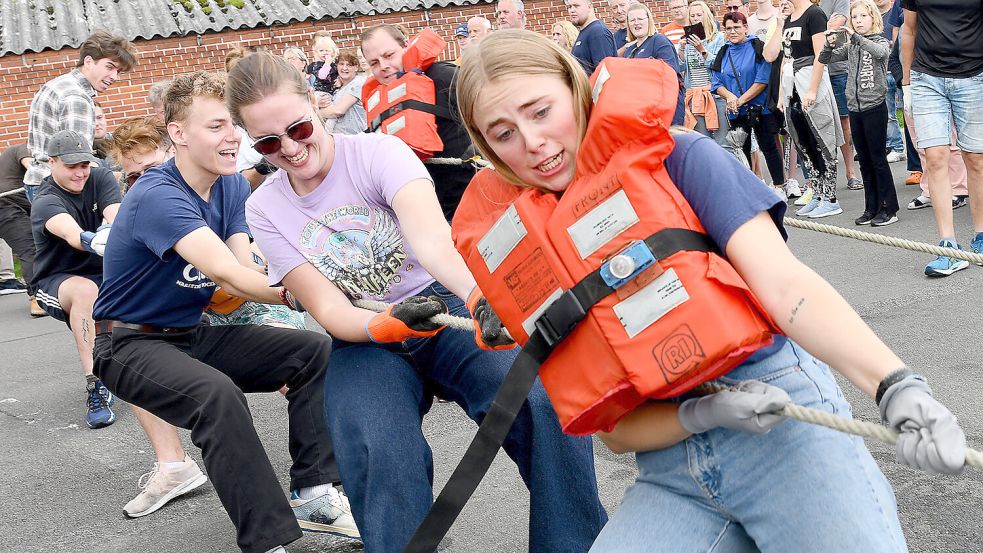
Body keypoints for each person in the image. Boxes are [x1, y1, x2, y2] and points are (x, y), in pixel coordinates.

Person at [455, 29, 967, 553]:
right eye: (503, 134)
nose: (532, 142)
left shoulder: (679, 157)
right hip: (670, 467)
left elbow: (787, 286)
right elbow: (611, 430)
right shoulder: (534, 256)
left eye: (540, 112)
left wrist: (896, 386)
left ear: (575, 87)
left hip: (785, 434)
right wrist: (700, 413)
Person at [226, 50, 607, 552]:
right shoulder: (265, 207)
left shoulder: (379, 153)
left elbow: (433, 243)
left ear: (316, 108)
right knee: (373, 444)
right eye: (269, 143)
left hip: (441, 301)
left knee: (539, 397)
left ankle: (574, 545)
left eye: (298, 130)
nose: (290, 150)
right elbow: (327, 308)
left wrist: (477, 297)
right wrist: (380, 325)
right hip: (366, 332)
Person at [91, 71, 358, 553]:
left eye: (232, 124)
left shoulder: (231, 186)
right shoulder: (158, 195)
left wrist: (314, 274)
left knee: (314, 351)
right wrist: (311, 293)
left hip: (190, 334)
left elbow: (243, 268)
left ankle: (316, 491)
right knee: (217, 396)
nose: (233, 135)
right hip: (127, 344)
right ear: (178, 132)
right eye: (215, 126)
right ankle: (266, 541)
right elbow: (228, 275)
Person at [30, 130, 120, 428]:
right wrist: (93, 239)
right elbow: (70, 233)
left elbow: (115, 212)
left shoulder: (100, 176)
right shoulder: (46, 200)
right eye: (71, 166)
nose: (80, 172)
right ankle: (96, 384)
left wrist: (112, 227)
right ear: (52, 162)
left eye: (84, 164)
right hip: (59, 281)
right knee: (85, 291)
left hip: (104, 274)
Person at [360, 25, 481, 221]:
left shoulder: (445, 77)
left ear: (406, 46)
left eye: (389, 55)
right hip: (427, 211)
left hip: (472, 197)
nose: (383, 66)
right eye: (374, 63)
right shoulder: (377, 104)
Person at [901, 0, 983, 276]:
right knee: (935, 158)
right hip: (927, 77)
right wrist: (906, 84)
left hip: (974, 76)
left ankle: (981, 236)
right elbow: (909, 30)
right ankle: (948, 246)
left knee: (976, 159)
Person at [25, 30, 137, 203]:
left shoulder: (58, 84)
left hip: (39, 181)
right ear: (89, 61)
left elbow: (33, 148)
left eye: (119, 71)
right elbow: (78, 157)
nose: (114, 77)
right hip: (59, 188)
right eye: (109, 67)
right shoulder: (76, 97)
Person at [819, 0, 898, 226]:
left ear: (873, 18)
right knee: (864, 160)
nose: (858, 21)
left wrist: (854, 36)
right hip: (855, 109)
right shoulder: (852, 46)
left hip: (875, 107)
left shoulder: (879, 41)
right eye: (855, 17)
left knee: (878, 159)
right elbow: (825, 59)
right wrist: (830, 43)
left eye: (863, 16)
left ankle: (889, 207)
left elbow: (880, 52)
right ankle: (871, 207)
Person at [764, 0, 844, 218]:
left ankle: (830, 198)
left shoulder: (815, 14)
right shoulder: (789, 18)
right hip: (792, 85)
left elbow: (822, 54)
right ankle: (817, 193)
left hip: (810, 80)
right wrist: (782, 93)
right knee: (805, 142)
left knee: (823, 140)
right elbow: (782, 58)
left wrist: (812, 89)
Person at [712, 11, 787, 197]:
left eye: (737, 27)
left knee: (768, 146)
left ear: (745, 27)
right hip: (736, 111)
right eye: (729, 28)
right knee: (741, 150)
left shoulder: (756, 46)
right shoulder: (724, 51)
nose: (733, 31)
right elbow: (716, 82)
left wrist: (740, 100)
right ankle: (751, 187)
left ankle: (779, 186)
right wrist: (730, 97)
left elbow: (762, 80)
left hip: (759, 108)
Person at [819, 0, 862, 191]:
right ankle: (819, 179)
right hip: (810, 70)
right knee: (817, 125)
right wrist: (824, 26)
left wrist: (815, 28)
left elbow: (837, 27)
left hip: (837, 70)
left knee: (845, 122)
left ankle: (851, 173)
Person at [623, 3, 685, 125]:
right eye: (632, 20)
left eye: (640, 19)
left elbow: (670, 74)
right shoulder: (629, 51)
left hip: (665, 109)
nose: (636, 23)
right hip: (642, 111)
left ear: (649, 20)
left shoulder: (659, 41)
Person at [680, 1, 730, 152]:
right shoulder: (687, 42)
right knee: (703, 143)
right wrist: (681, 50)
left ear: (706, 16)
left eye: (699, 15)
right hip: (694, 96)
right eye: (692, 16)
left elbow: (720, 65)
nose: (696, 18)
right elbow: (681, 68)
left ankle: (728, 175)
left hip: (714, 94)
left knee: (724, 142)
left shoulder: (719, 38)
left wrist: (702, 49)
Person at [0, 144, 39, 315]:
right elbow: (32, 167)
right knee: (29, 246)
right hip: (5, 204)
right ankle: (37, 297)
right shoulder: (24, 149)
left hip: (18, 207)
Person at [877, 0, 904, 161]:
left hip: (898, 68)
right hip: (882, 71)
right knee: (888, 114)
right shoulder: (870, 15)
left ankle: (913, 151)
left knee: (908, 113)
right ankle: (896, 147)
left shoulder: (896, 11)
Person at [321, 51, 368, 135]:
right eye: (341, 64)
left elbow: (338, 111)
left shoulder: (358, 83)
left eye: (349, 65)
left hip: (355, 139)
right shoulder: (338, 89)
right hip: (340, 140)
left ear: (356, 67)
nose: (344, 68)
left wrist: (317, 113)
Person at [567, 0, 618, 74]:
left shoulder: (598, 31)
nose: (571, 10)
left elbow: (604, 74)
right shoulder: (585, 31)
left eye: (576, 6)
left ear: (589, 6)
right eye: (569, 7)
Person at [307, 30, 340, 95]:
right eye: (321, 50)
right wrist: (327, 64)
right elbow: (322, 76)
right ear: (316, 52)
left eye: (327, 50)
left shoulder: (335, 64)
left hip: (334, 91)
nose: (324, 53)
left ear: (332, 52)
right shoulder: (317, 65)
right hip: (322, 92)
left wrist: (340, 80)